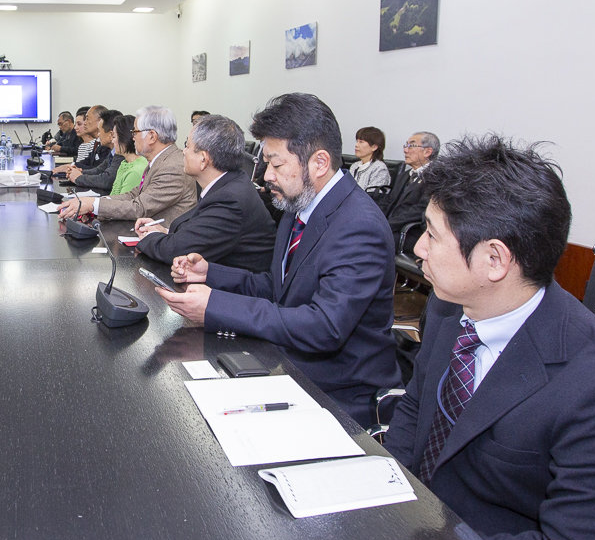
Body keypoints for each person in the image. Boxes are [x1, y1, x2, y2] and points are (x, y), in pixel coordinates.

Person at [383, 134, 595, 540]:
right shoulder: (450, 309)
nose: (419, 248)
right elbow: (415, 411)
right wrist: (382, 501)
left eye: (431, 234)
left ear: (495, 259)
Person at [155, 93, 400, 427]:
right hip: (285, 364)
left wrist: (215, 306)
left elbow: (324, 326)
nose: (267, 175)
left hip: (337, 395)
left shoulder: (359, 226)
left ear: (319, 163)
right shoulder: (298, 205)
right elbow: (278, 287)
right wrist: (210, 273)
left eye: (276, 164)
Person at [135, 114, 275, 272]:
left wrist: (148, 237)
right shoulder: (229, 182)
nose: (183, 152)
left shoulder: (230, 200)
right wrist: (164, 232)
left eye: (187, 146)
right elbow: (201, 232)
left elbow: (174, 251)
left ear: (203, 159)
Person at [59, 105, 197, 223]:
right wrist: (92, 203)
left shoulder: (172, 167)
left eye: (135, 132)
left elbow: (139, 208)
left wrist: (93, 205)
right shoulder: (160, 160)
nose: (132, 137)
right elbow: (133, 194)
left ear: (152, 136)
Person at [382, 131, 438, 253]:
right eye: (406, 145)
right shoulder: (404, 175)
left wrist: (386, 225)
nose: (405, 150)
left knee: (371, 241)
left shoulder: (435, 177)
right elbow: (389, 201)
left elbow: (419, 210)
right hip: (390, 227)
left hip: (409, 232)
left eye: (411, 146)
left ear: (427, 152)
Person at [65, 109, 123, 193]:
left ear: (111, 134)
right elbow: (99, 170)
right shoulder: (113, 152)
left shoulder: (121, 154)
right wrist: (79, 172)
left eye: (100, 131)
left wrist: (79, 177)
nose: (98, 135)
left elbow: (107, 180)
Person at [55, 105, 107, 175]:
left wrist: (77, 170)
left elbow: (99, 171)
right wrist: (70, 166)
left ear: (100, 121)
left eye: (87, 119)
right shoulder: (97, 143)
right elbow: (86, 162)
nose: (85, 123)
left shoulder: (106, 145)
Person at [350, 126, 391, 209]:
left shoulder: (379, 168)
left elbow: (372, 198)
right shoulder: (354, 166)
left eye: (361, 142)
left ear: (374, 147)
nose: (356, 145)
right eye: (357, 141)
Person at [108, 115, 147, 196]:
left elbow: (123, 202)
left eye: (114, 137)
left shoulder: (136, 171)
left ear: (124, 138)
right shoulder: (125, 163)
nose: (112, 141)